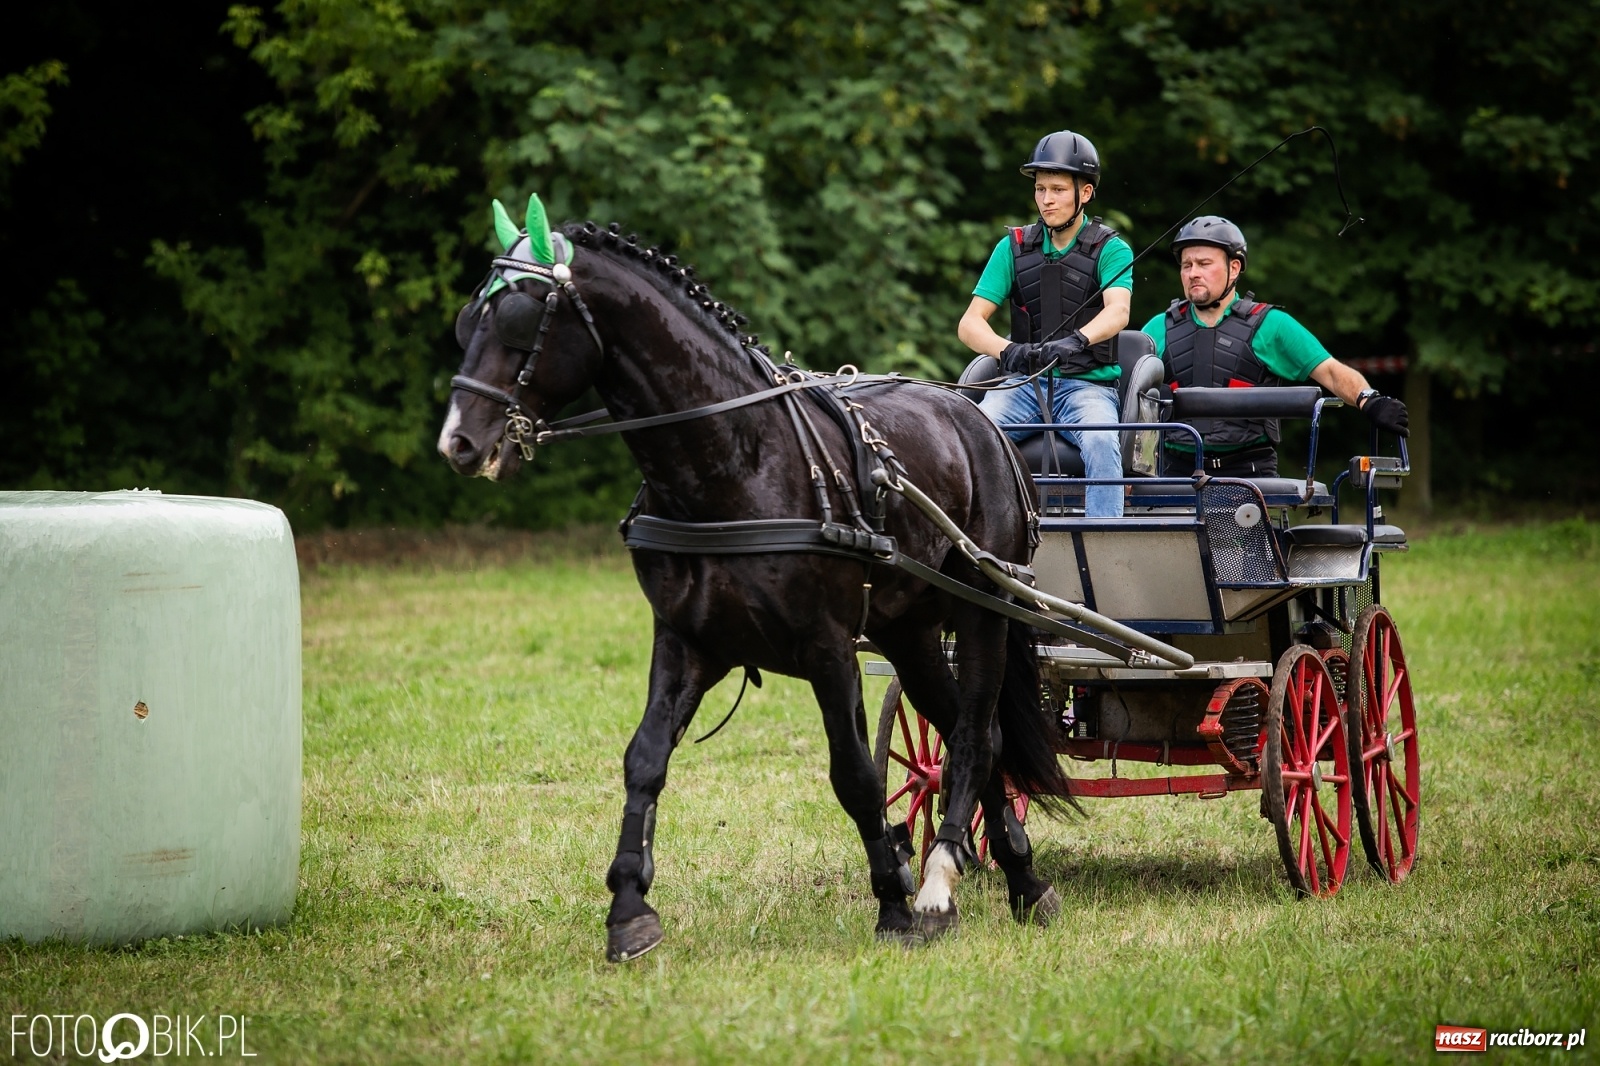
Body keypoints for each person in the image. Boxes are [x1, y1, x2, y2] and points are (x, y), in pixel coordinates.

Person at [1141, 216, 1409, 478]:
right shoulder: (1158, 328)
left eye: (1204, 263)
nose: (1193, 273)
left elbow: (1329, 371)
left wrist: (1369, 399)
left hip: (1249, 474)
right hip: (1173, 474)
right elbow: (1127, 393)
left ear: (1234, 268)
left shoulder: (1271, 325)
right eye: (1186, 265)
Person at [958, 130, 1133, 518]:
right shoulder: (1014, 247)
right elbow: (970, 325)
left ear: (1084, 193)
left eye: (1057, 189)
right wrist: (1007, 350)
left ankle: (1107, 544)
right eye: (1040, 189)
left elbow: (1118, 311)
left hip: (1087, 387)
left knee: (1104, 442)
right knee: (971, 431)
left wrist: (1077, 341)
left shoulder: (1112, 248)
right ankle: (977, 536)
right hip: (1023, 385)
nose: (1046, 199)